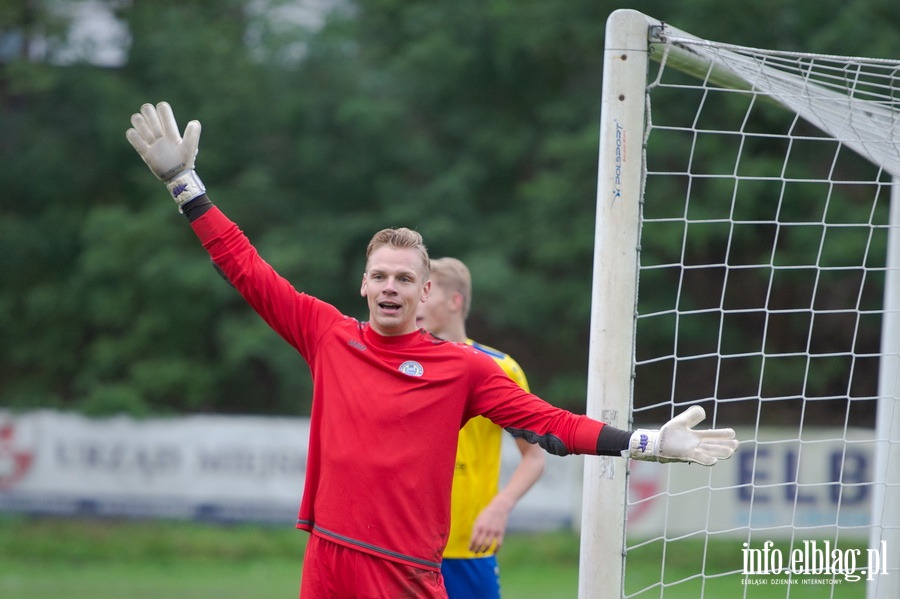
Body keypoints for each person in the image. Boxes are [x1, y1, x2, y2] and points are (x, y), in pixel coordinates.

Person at [126, 101, 739, 599]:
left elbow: (550, 427)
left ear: (425, 292)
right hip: (327, 559)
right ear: (364, 284)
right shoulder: (326, 334)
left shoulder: (466, 370)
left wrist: (650, 443)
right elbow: (245, 267)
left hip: (404, 571)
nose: (390, 287)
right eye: (380, 276)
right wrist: (185, 184)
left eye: (404, 279)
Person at [416, 257, 545, 599]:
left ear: (454, 301)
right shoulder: (402, 365)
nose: (415, 300)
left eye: (426, 293)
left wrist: (499, 507)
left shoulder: (500, 368)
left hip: (468, 550)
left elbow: (534, 457)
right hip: (406, 548)